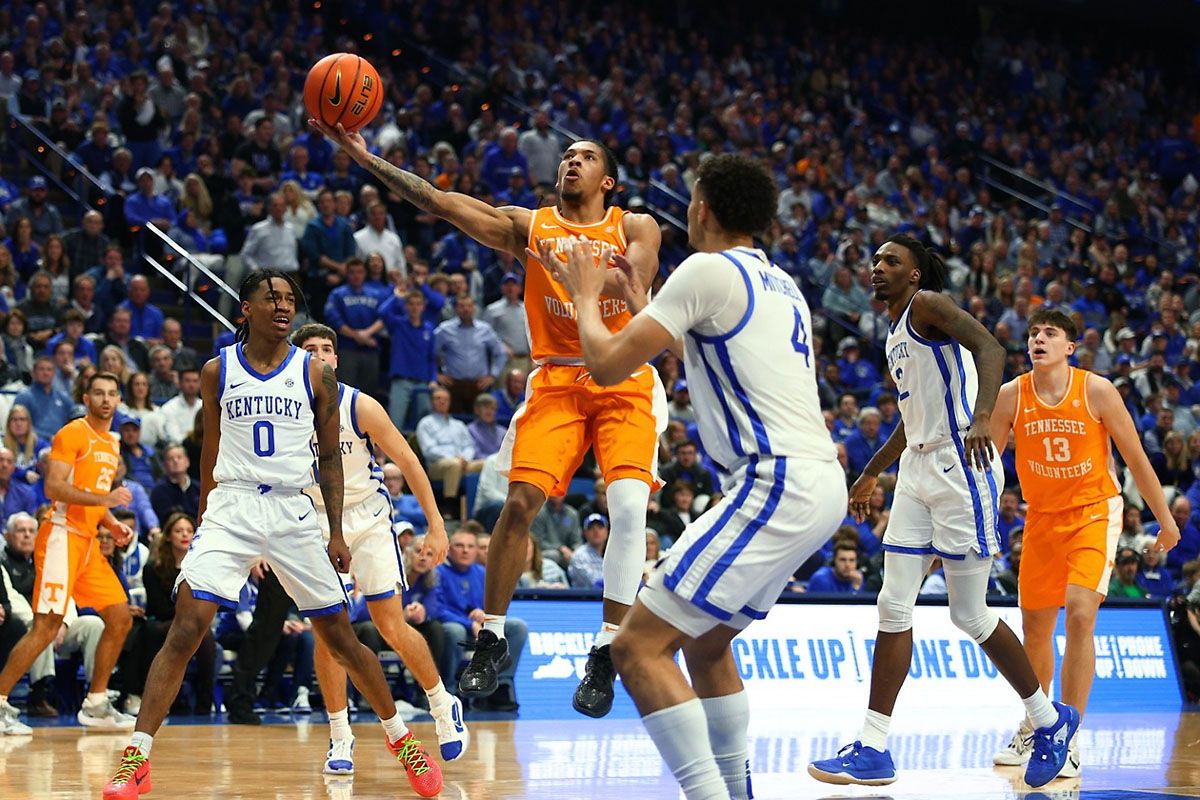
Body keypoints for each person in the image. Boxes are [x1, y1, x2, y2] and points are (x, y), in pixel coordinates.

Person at [311, 119, 664, 719]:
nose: (571, 162)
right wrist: (366, 159)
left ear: (608, 180)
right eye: (566, 156)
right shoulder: (531, 225)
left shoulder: (633, 224)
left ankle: (605, 651)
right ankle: (491, 636)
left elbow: (639, 277)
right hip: (556, 378)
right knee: (519, 502)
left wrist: (579, 268)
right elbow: (440, 203)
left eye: (585, 156)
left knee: (629, 507)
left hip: (622, 375)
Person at [552, 154, 844, 800]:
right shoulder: (781, 283)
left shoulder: (705, 270)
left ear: (703, 209)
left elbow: (603, 366)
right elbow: (717, 359)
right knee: (708, 642)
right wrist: (643, 303)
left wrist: (582, 295)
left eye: (689, 200)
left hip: (774, 481)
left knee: (635, 649)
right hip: (819, 484)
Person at [103, 271, 443, 800]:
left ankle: (402, 741)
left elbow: (329, 457)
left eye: (289, 300)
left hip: (294, 509)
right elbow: (209, 451)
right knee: (185, 628)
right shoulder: (218, 370)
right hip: (232, 507)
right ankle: (137, 756)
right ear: (246, 309)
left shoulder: (314, 374)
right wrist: (201, 521)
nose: (283, 307)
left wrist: (335, 530)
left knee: (342, 640)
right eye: (272, 299)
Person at [808, 234, 1076, 789]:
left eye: (891, 261)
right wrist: (871, 471)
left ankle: (1050, 722)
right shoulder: (893, 334)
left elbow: (992, 350)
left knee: (970, 615)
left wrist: (983, 417)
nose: (878, 267)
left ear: (914, 275)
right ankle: (874, 747)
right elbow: (912, 419)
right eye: (875, 259)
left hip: (962, 462)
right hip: (917, 467)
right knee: (892, 603)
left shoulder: (927, 305)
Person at [988, 307, 1179, 776]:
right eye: (1033, 332)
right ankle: (1038, 722)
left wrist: (1165, 521)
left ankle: (1067, 738)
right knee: (1034, 628)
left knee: (1078, 613)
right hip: (1040, 519)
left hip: (1094, 513)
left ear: (1069, 347)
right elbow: (987, 467)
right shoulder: (1011, 396)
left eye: (1050, 333)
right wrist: (974, 522)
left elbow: (1136, 459)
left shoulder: (1096, 390)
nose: (1038, 339)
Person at [292, 323, 468, 770]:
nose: (320, 355)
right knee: (327, 630)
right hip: (313, 520)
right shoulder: (285, 413)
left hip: (367, 517)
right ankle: (339, 734)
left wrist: (436, 525)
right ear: (297, 360)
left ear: (337, 359)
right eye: (309, 349)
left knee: (389, 623)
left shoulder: (359, 404)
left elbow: (408, 460)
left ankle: (441, 703)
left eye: (327, 349)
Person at [0, 372, 137, 735]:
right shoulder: (72, 433)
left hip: (89, 541)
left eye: (112, 393)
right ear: (86, 398)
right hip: (61, 536)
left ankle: (95, 704)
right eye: (99, 393)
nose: (106, 399)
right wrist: (107, 501)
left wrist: (111, 522)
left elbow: (94, 492)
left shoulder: (112, 442)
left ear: (119, 400)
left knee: (121, 618)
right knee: (46, 626)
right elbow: (54, 486)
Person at [434, 529, 527, 711]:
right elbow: (436, 610)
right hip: (456, 630)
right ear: (449, 549)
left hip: (483, 629)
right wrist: (470, 624)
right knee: (454, 630)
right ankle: (449, 690)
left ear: (478, 551)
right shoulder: (438, 572)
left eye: (470, 546)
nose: (465, 551)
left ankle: (500, 686)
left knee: (518, 627)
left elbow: (499, 603)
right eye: (459, 546)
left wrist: (486, 614)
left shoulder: (484, 573)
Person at [416, 387, 483, 519]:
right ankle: (449, 507)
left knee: (486, 464)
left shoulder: (458, 424)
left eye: (445, 399)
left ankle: (480, 506)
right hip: (437, 466)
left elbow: (469, 446)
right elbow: (429, 450)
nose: (442, 402)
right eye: (438, 399)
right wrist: (455, 459)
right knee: (453, 465)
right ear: (432, 401)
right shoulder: (425, 423)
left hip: (462, 463)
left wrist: (465, 458)